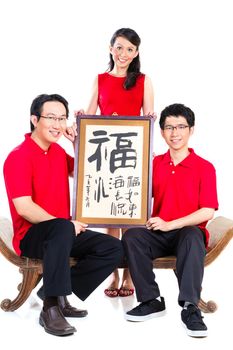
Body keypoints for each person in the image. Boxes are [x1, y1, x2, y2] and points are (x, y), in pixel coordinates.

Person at [3, 94, 124, 336]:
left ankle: (54, 291)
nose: (57, 124)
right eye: (51, 118)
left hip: (64, 232)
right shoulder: (18, 156)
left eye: (61, 118)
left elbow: (85, 172)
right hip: (33, 237)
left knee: (115, 249)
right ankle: (50, 308)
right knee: (61, 228)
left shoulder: (57, 152)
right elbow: (24, 207)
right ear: (34, 119)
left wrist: (75, 143)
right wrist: (67, 225)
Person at [122, 103, 218, 337]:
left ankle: (190, 308)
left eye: (181, 127)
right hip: (158, 233)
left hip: (186, 233)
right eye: (169, 127)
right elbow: (135, 195)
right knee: (133, 235)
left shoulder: (204, 168)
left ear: (191, 130)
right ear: (162, 132)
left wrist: (170, 223)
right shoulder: (154, 164)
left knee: (193, 235)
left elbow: (207, 211)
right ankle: (151, 300)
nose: (175, 133)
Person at [78, 27, 155, 298]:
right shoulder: (99, 79)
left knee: (132, 219)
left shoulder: (143, 81)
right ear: (111, 48)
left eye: (130, 49)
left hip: (133, 156)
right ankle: (112, 275)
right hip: (106, 158)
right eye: (119, 47)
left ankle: (129, 276)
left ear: (136, 53)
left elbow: (149, 119)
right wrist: (81, 119)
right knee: (111, 218)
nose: (124, 54)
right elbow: (88, 115)